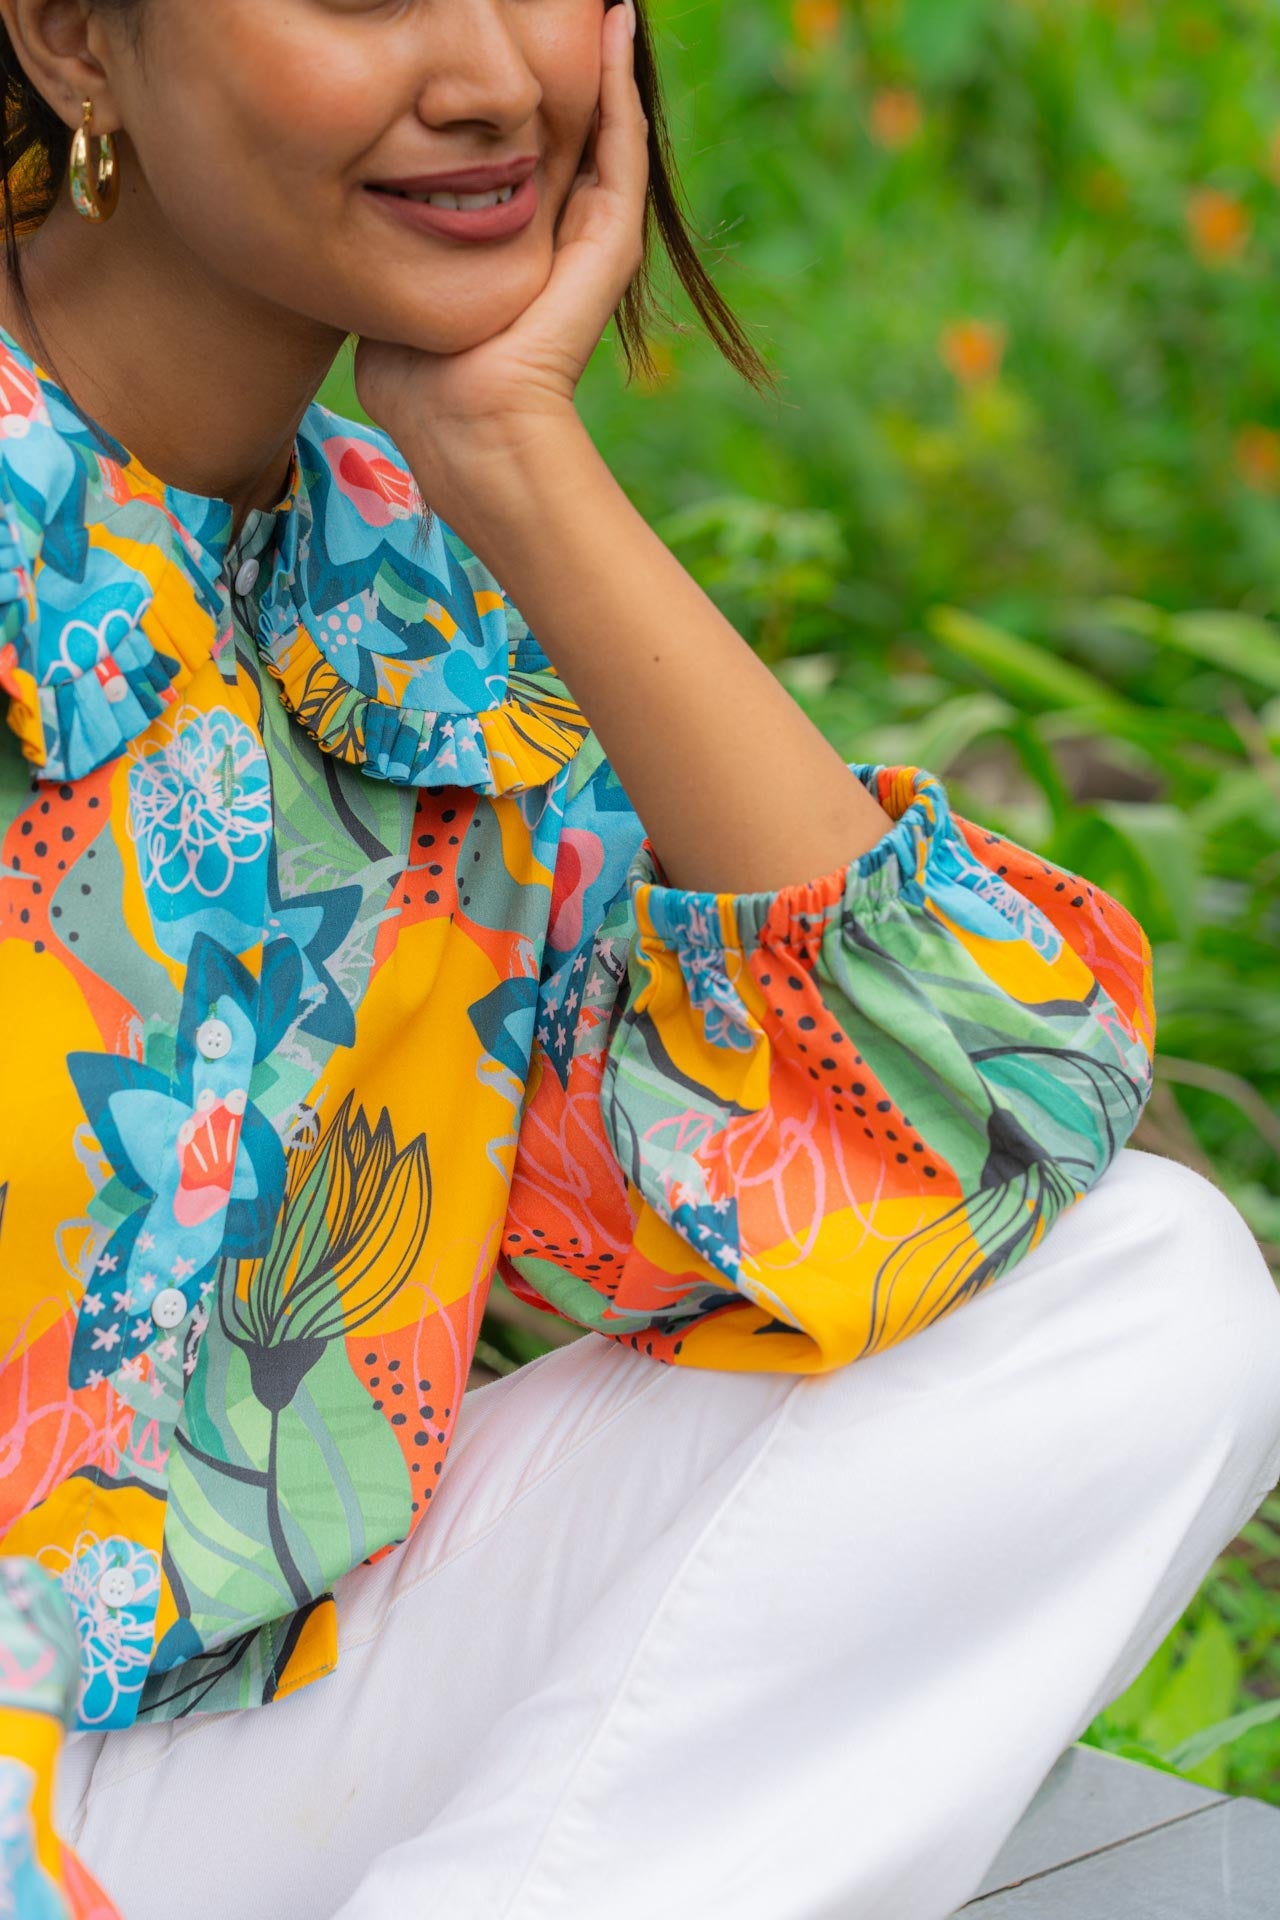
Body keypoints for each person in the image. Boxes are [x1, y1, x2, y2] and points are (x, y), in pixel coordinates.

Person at [0, 1, 1277, 1915]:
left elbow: (981, 1139)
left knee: (1144, 1290)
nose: (493, 71)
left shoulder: (402, 607)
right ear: (74, 38)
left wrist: (515, 458)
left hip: (222, 1741)